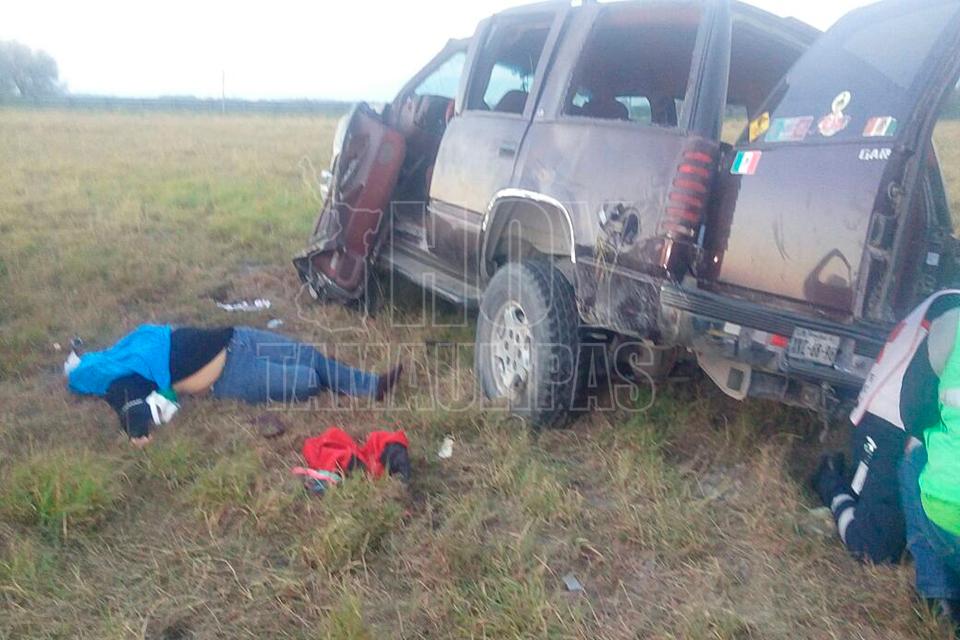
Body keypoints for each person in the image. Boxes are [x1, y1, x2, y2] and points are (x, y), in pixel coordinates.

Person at [65, 324, 402, 447]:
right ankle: (339, 384)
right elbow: (129, 408)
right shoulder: (119, 382)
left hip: (239, 336)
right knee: (308, 380)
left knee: (310, 356)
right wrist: (138, 433)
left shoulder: (132, 344)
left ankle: (372, 386)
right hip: (231, 375)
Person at [812, 292, 960, 569]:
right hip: (892, 423)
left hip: (907, 424)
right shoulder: (953, 312)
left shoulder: (949, 302)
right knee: (875, 548)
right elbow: (917, 398)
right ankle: (831, 482)